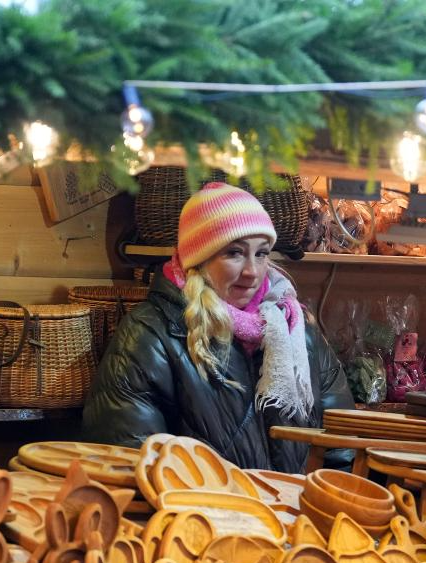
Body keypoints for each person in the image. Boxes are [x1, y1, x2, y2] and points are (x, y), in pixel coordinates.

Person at [83, 182, 353, 473]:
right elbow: (131, 463)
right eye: (234, 253)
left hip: (298, 514)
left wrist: (326, 507)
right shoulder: (150, 337)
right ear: (198, 260)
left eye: (262, 253)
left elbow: (343, 447)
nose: (252, 272)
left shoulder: (297, 329)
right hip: (197, 515)